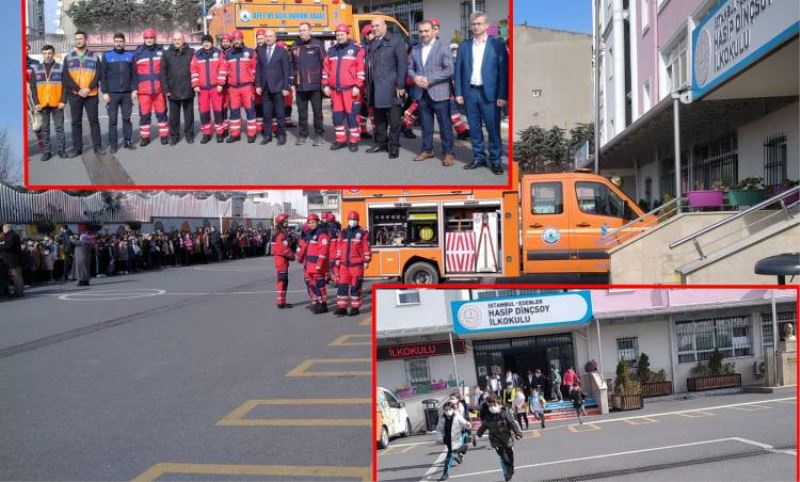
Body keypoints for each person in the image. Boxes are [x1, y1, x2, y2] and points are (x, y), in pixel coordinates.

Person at [454, 12, 508, 175]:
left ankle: (496, 161)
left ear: (486, 25)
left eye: (479, 23)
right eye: (474, 24)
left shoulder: (496, 45)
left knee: (493, 130)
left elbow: (503, 72)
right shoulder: (464, 45)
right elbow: (458, 71)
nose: (476, 26)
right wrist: (458, 92)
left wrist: (502, 95)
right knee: (475, 130)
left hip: (490, 95)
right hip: (470, 93)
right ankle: (478, 157)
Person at [408, 19, 455, 166]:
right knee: (426, 126)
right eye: (420, 31)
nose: (423, 34)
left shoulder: (443, 47)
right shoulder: (415, 49)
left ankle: (448, 153)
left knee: (445, 126)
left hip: (439, 93)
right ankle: (427, 150)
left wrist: (430, 79)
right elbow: (409, 68)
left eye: (426, 31)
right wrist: (415, 78)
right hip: (421, 93)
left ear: (434, 31)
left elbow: (449, 69)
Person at [365, 18, 407, 159]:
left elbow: (402, 65)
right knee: (379, 119)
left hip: (392, 87)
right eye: (373, 26)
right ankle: (381, 143)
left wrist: (400, 85)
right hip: (375, 88)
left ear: (385, 26)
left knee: (394, 120)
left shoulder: (396, 41)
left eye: (377, 25)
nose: (374, 28)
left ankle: (394, 146)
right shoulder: (371, 43)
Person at [323, 24, 366, 152]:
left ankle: (354, 141)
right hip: (335, 91)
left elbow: (361, 70)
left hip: (351, 90)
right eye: (337, 35)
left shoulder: (357, 49)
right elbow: (326, 70)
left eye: (342, 34)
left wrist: (358, 86)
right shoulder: (331, 51)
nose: (340, 37)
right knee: (337, 117)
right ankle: (340, 140)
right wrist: (325, 84)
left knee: (352, 116)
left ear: (347, 35)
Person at [63, 31, 104, 157]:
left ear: (86, 40)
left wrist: (88, 88)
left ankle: (97, 147)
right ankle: (77, 148)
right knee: (76, 122)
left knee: (94, 121)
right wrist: (78, 89)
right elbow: (65, 76)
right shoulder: (68, 57)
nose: (78, 41)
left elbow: (98, 74)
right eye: (76, 39)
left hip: (91, 94)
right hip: (75, 94)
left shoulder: (94, 57)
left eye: (81, 39)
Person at [290, 22, 326, 146]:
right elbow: (292, 65)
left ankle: (319, 134)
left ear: (310, 31)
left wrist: (324, 82)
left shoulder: (317, 44)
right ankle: (303, 134)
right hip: (300, 85)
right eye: (300, 30)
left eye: (304, 30)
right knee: (302, 112)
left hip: (315, 84)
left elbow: (325, 63)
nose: (302, 33)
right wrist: (292, 82)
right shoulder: (294, 46)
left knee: (317, 112)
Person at [101, 33, 138, 153]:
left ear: (124, 42)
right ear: (113, 42)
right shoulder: (107, 56)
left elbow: (134, 75)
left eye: (121, 41)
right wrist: (105, 92)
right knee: (112, 120)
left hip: (127, 93)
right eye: (116, 41)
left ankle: (128, 141)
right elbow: (103, 76)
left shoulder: (130, 56)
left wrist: (134, 90)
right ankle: (113, 144)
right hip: (112, 93)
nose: (118, 43)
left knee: (126, 118)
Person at [29, 45, 67, 161]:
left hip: (57, 103)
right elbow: (33, 87)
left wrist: (63, 101)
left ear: (53, 53)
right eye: (45, 53)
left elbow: (65, 86)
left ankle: (61, 150)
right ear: (42, 54)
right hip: (42, 104)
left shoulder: (61, 68)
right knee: (45, 129)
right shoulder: (37, 69)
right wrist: (36, 102)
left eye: (49, 53)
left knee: (59, 127)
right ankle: (47, 151)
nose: (47, 55)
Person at [255, 29, 290, 146]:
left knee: (280, 114)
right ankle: (267, 135)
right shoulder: (260, 50)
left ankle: (281, 135)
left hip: (278, 87)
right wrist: (258, 85)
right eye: (267, 36)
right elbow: (258, 70)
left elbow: (286, 70)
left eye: (271, 36)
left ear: (275, 38)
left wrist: (286, 87)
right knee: (266, 114)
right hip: (265, 88)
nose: (268, 38)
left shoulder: (282, 51)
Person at [476, 395, 523, 482]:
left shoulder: (505, 412)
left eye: (493, 405)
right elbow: (483, 427)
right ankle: (508, 475)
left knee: (510, 456)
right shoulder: (488, 416)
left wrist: (517, 432)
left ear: (498, 403)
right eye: (489, 405)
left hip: (507, 438)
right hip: (496, 440)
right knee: (504, 457)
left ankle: (511, 469)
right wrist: (477, 436)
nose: (491, 407)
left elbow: (512, 423)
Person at [134, 28, 169, 146]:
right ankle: (145, 137)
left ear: (155, 38)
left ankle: (164, 136)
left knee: (162, 113)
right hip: (143, 91)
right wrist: (134, 89)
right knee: (144, 115)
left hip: (159, 90)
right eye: (147, 38)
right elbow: (133, 73)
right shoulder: (138, 53)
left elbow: (167, 70)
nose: (149, 40)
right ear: (144, 39)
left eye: (151, 38)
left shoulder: (162, 52)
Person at [191, 34, 227, 144]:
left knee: (218, 111)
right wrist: (195, 84)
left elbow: (223, 68)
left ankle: (219, 133)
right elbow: (194, 70)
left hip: (216, 88)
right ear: (202, 43)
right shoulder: (197, 55)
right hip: (202, 89)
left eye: (208, 42)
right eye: (204, 42)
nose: (206, 44)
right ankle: (206, 134)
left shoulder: (218, 53)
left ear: (212, 43)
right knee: (204, 112)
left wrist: (221, 84)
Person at [334, 211, 370, 317]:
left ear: (357, 221)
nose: (352, 221)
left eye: (354, 220)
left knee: (355, 287)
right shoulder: (343, 232)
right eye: (351, 219)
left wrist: (367, 260)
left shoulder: (362, 232)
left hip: (357, 265)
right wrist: (337, 257)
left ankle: (355, 308)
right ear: (348, 220)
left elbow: (366, 247)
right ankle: (342, 308)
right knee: (342, 287)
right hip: (344, 265)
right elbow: (339, 247)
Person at [161, 32, 195, 145]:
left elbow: (196, 69)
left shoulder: (191, 52)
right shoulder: (166, 54)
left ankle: (189, 134)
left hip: (188, 88)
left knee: (189, 115)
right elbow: (163, 73)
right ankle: (174, 136)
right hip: (173, 89)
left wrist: (195, 85)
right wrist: (166, 89)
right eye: (175, 39)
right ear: (172, 40)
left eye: (179, 39)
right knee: (174, 117)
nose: (177, 41)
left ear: (183, 39)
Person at [224, 31, 257, 143]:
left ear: (242, 39)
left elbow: (254, 69)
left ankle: (252, 134)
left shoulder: (250, 52)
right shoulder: (227, 54)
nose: (236, 41)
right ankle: (235, 134)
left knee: (250, 111)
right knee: (234, 112)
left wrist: (251, 81)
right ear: (232, 41)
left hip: (247, 87)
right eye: (234, 39)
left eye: (238, 39)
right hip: (233, 88)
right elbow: (225, 70)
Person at [296, 213, 330, 314]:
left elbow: (323, 250)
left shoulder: (321, 234)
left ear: (317, 222)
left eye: (313, 222)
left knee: (320, 286)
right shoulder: (311, 234)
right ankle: (319, 303)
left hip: (317, 266)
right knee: (314, 286)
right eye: (309, 223)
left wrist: (319, 264)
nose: (311, 224)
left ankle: (323, 305)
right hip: (311, 266)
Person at [435, 400, 472, 481]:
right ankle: (462, 449)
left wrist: (467, 424)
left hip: (456, 439)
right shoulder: (442, 418)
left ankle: (445, 474)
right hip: (447, 440)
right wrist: (439, 438)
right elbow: (439, 429)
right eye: (446, 410)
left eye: (449, 409)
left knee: (449, 456)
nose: (447, 411)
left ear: (453, 409)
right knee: (453, 452)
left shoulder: (457, 416)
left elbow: (464, 422)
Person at [270, 214, 295, 309]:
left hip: (280, 259)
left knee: (283, 280)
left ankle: (282, 301)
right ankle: (280, 302)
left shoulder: (278, 233)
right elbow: (284, 249)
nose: (287, 222)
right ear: (281, 222)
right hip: (281, 260)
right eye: (285, 220)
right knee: (282, 280)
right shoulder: (280, 234)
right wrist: (292, 256)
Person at [357, 24, 375, 140]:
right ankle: (364, 131)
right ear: (366, 35)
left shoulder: (376, 46)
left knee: (369, 109)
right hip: (365, 84)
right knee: (367, 109)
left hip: (373, 83)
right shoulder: (362, 50)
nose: (374, 34)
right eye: (371, 33)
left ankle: (371, 131)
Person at [0, 224, 24, 297]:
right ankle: (18, 292)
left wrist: (1, 245)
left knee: (16, 276)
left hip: (12, 260)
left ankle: (18, 292)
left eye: (3, 229)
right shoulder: (13, 235)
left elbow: (8, 246)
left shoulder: (11, 235)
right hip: (13, 259)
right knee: (15, 276)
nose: (3, 231)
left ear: (7, 228)